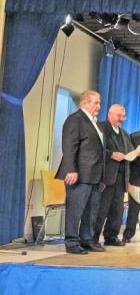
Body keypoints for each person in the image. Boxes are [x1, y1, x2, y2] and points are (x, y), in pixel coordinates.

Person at [56, 90, 105, 254]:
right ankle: (71, 242)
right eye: (95, 103)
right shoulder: (75, 119)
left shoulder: (94, 122)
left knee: (91, 210)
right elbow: (69, 146)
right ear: (85, 103)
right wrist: (71, 169)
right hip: (79, 174)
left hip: (94, 175)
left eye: (99, 103)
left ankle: (87, 239)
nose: (99, 106)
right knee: (75, 209)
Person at [94, 104, 133, 246]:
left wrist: (137, 153)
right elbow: (95, 149)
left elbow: (129, 152)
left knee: (117, 210)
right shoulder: (100, 128)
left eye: (123, 116)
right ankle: (92, 238)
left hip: (121, 178)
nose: (121, 119)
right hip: (106, 177)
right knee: (101, 209)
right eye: (119, 116)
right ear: (110, 114)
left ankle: (111, 236)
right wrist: (111, 155)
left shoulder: (125, 134)